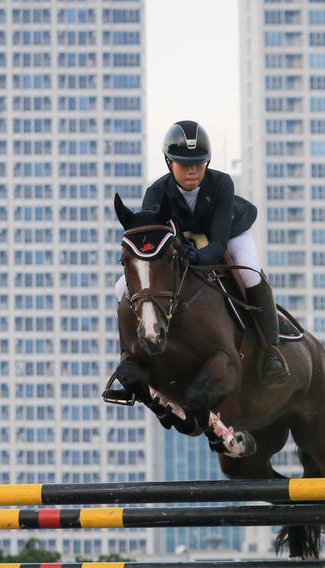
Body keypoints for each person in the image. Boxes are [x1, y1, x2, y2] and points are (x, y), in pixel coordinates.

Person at [112, 120, 290, 386]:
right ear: (169, 163)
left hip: (229, 233)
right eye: (184, 164)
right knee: (119, 288)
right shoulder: (156, 193)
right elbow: (153, 245)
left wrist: (196, 257)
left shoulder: (221, 184)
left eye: (199, 163)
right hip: (182, 244)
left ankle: (271, 352)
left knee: (250, 271)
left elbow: (217, 244)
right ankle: (130, 355)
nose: (193, 170)